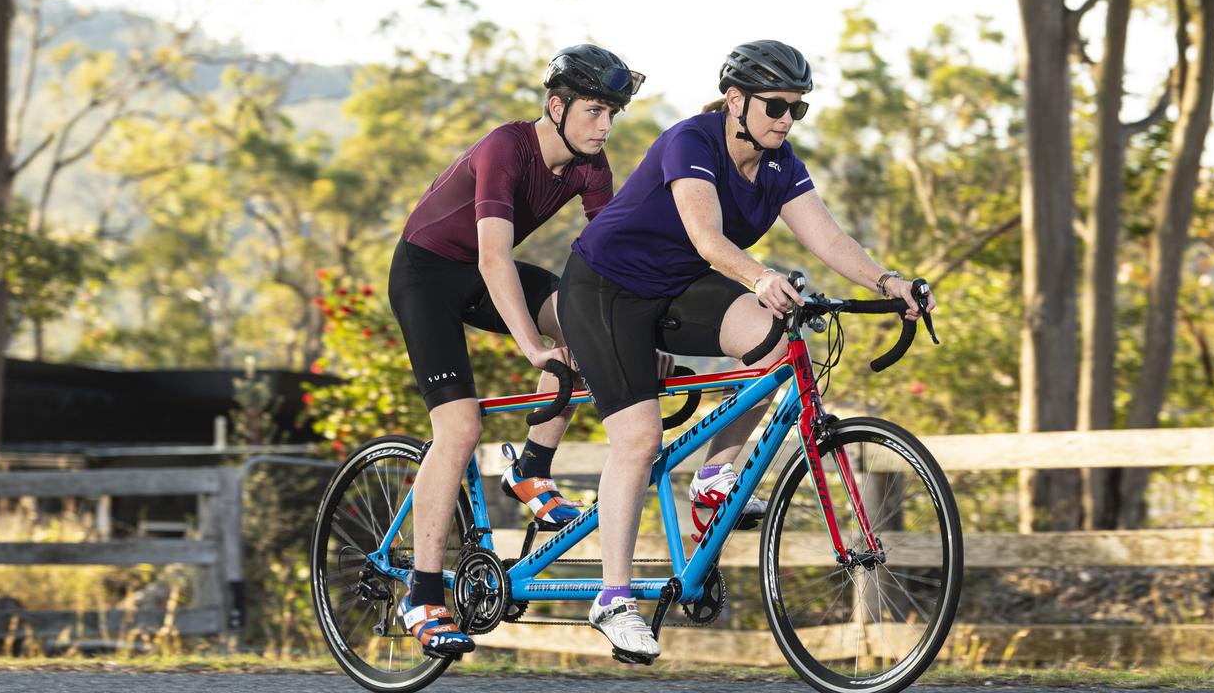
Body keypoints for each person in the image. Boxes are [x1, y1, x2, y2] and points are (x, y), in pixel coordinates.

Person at [556, 40, 936, 662]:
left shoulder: (782, 164)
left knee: (775, 345)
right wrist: (760, 276)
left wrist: (889, 283)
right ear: (735, 99)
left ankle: (713, 474)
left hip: (675, 289)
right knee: (639, 439)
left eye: (797, 109)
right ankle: (613, 599)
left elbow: (828, 238)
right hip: (606, 290)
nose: (786, 119)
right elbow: (706, 238)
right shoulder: (692, 141)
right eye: (776, 105)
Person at [387, 44, 646, 658]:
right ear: (556, 106)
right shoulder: (508, 146)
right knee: (460, 426)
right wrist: (533, 347)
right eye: (594, 111)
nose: (604, 126)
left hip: (480, 274)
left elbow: (611, 267)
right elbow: (492, 257)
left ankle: (530, 469)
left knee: (587, 327)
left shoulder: (591, 165)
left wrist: (638, 338)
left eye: (613, 113)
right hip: (428, 275)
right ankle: (422, 594)